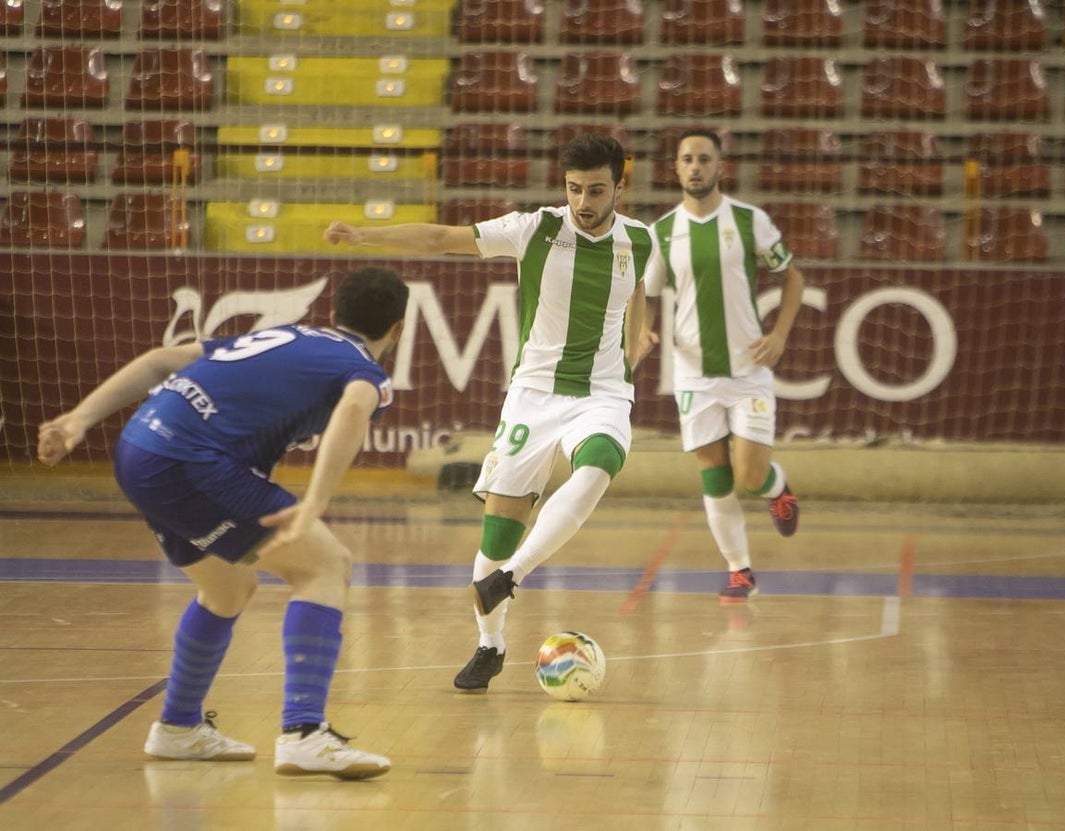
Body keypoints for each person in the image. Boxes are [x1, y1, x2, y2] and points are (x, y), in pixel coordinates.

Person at [37, 267, 409, 779]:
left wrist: (79, 418)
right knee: (326, 565)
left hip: (139, 448)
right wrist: (315, 502)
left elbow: (161, 361)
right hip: (192, 461)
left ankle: (178, 727)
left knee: (228, 587)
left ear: (333, 313)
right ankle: (305, 734)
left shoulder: (281, 333)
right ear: (399, 329)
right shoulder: (365, 369)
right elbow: (353, 410)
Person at [326, 133, 655, 692]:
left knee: (598, 464)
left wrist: (637, 332)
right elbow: (438, 237)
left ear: (620, 187)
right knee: (498, 531)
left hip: (602, 392)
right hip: (533, 393)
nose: (583, 202)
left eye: (596, 191)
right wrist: (364, 234)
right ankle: (490, 645)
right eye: (574, 189)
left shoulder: (641, 240)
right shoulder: (535, 230)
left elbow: (635, 286)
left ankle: (512, 577)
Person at [640, 128, 805, 604]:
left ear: (719, 166)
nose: (695, 166)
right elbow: (646, 295)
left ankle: (777, 488)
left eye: (704, 158)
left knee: (749, 476)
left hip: (748, 370)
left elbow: (792, 278)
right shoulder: (663, 233)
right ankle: (740, 571)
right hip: (694, 372)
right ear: (675, 167)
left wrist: (779, 335)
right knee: (714, 475)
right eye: (687, 158)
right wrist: (645, 330)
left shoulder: (750, 222)